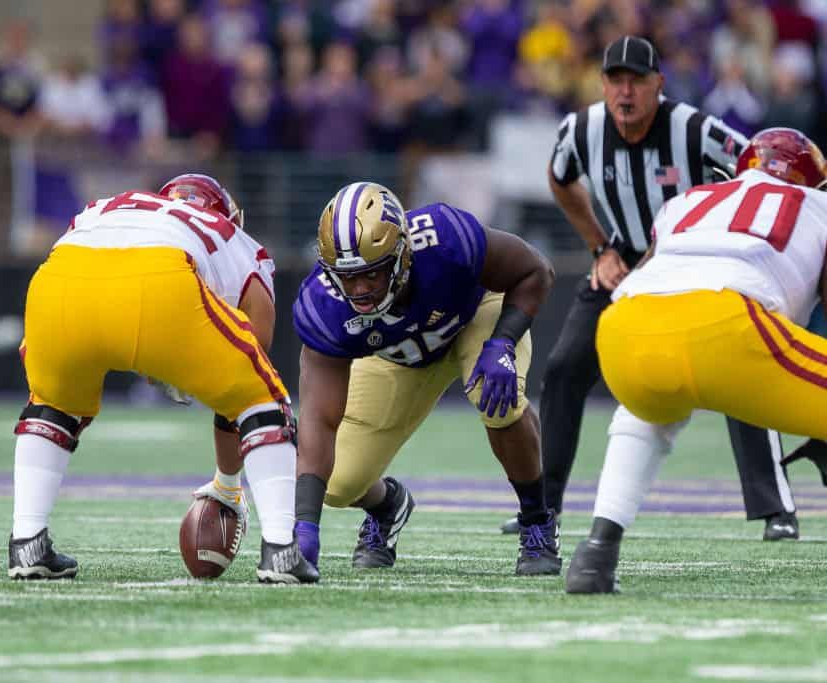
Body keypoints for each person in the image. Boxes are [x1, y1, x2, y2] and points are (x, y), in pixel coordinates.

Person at [505, 35, 800, 541]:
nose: (625, 92)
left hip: (696, 265)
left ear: (658, 85)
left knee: (737, 368)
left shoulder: (694, 129)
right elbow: (559, 180)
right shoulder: (582, 129)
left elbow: (757, 171)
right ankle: (543, 507)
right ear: (601, 85)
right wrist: (602, 248)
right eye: (615, 80)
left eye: (636, 81)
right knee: (564, 367)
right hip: (623, 263)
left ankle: (777, 509)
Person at [8, 173, 318, 584]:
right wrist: (227, 487)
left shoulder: (110, 204)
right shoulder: (231, 235)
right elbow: (250, 363)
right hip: (159, 281)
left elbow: (96, 281)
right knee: (262, 398)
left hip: (56, 282)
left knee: (52, 404)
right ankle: (280, 550)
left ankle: (26, 541)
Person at [566, 127, 827, 594]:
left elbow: (649, 269)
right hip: (727, 323)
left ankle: (596, 552)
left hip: (625, 328)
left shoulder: (687, 201)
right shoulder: (816, 206)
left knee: (647, 412)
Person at [292, 181, 559, 576]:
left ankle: (537, 523)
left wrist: (502, 343)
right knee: (338, 483)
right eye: (347, 276)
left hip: (474, 317)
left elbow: (536, 269)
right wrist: (304, 529)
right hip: (400, 357)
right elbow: (318, 420)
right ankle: (388, 506)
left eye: (371, 273)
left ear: (401, 254)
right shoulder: (324, 306)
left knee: (496, 396)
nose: (359, 289)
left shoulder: (444, 239)